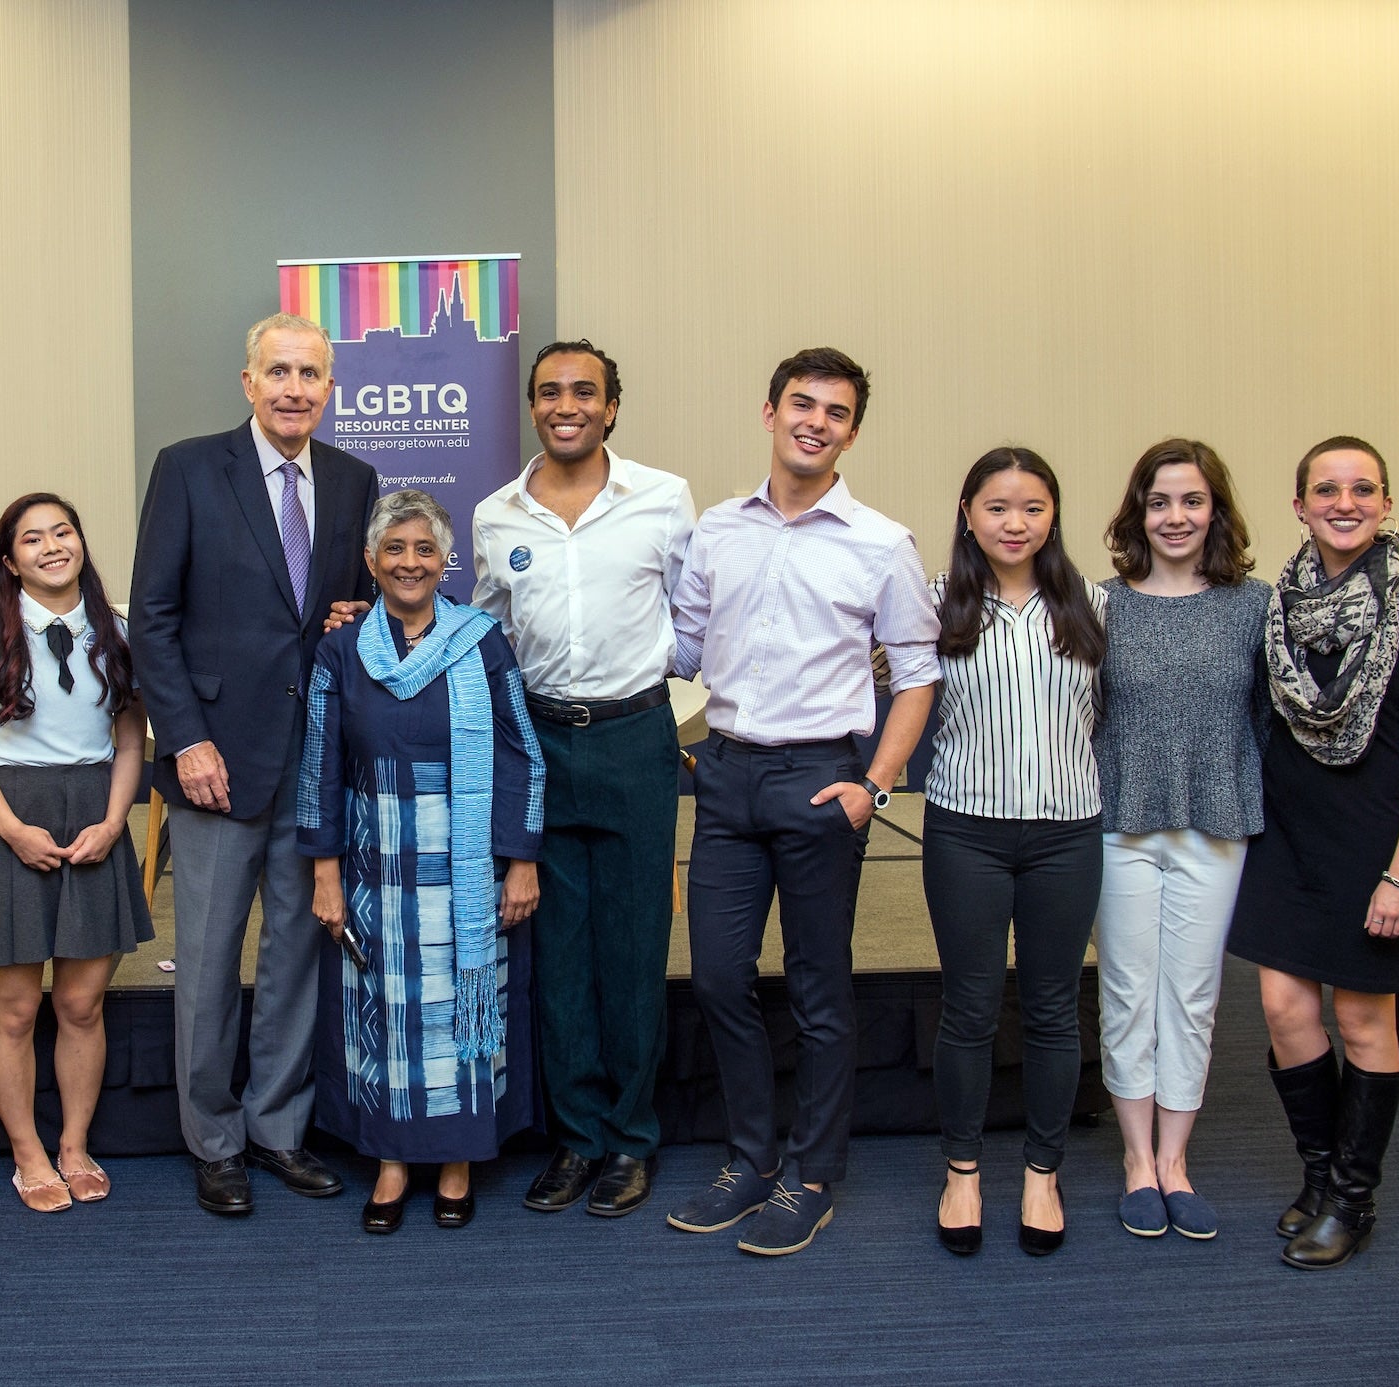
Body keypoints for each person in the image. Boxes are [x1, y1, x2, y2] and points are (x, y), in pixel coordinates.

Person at [665, 348, 940, 1256]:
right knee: (716, 976)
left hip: (825, 780)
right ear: (770, 411)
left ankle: (814, 1174)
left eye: (835, 411)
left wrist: (873, 785)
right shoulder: (716, 529)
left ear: (851, 430)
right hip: (730, 774)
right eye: (800, 404)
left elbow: (917, 675)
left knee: (821, 988)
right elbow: (681, 651)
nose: (814, 421)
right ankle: (750, 1158)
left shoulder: (881, 542)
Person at [129, 313, 379, 1215]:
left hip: (316, 761)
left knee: (296, 959)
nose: (293, 389)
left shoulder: (355, 480)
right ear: (247, 382)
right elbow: (151, 617)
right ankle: (215, 1139)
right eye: (278, 371)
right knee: (203, 963)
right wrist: (186, 738)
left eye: (310, 373)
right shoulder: (189, 467)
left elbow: (340, 609)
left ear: (329, 385)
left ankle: (278, 1127)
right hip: (216, 766)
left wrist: (356, 618)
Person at [470, 339, 694, 1217]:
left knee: (633, 951)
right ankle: (576, 1137)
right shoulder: (496, 515)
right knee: (556, 955)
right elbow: (486, 636)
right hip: (539, 745)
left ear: (611, 407)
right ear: (534, 407)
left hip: (637, 739)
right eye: (551, 391)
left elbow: (695, 611)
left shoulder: (664, 500)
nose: (567, 404)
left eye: (585, 392)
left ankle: (632, 1139)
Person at [1227, 436, 1399, 1270]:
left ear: (1387, 504)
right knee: (1287, 1012)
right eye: (1327, 488)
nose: (1345, 501)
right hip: (1286, 837)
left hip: (1372, 843)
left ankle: (1353, 1199)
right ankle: (1319, 1177)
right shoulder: (1274, 607)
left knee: (1363, 1018)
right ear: (1299, 506)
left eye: (1364, 488)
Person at [300, 489, 544, 1231]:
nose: (410, 562)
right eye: (395, 549)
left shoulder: (482, 640)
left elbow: (521, 755)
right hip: (376, 870)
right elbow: (321, 767)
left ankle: (458, 1157)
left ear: (447, 563)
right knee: (389, 1018)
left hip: (466, 872)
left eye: (425, 549)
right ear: (372, 561)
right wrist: (326, 874)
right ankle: (392, 1160)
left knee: (461, 1015)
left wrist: (522, 859)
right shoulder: (342, 649)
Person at [0, 493, 153, 1212]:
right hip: (10, 818)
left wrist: (117, 818)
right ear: (9, 558)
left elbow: (128, 741)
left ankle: (74, 1143)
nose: (52, 545)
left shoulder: (117, 630)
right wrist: (10, 829)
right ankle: (28, 1151)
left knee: (82, 1002)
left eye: (64, 530)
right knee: (17, 1006)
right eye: (33, 538)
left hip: (94, 814)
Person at [922, 447, 1107, 1257]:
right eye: (997, 506)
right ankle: (962, 1170)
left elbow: (1123, 712)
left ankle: (1041, 1170)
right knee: (967, 1009)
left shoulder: (1094, 605)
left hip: (1067, 832)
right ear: (968, 513)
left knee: (1052, 1006)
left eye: (1032, 506)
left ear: (1053, 516)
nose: (1015, 522)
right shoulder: (934, 606)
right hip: (966, 829)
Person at [1092, 439, 1269, 1242]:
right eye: (1159, 501)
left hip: (1217, 821)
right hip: (1120, 822)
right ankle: (1135, 1160)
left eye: (1191, 501)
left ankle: (1175, 1161)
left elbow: (1290, 712)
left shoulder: (1254, 604)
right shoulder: (1102, 605)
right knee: (1129, 991)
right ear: (1139, 511)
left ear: (1215, 511)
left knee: (1191, 999)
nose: (1175, 517)